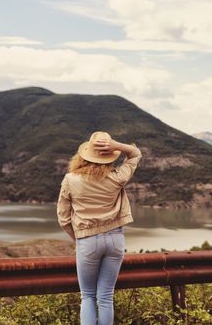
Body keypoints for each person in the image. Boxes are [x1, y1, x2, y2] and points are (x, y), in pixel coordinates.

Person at [57, 131, 142, 325]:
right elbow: (136, 154)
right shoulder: (117, 177)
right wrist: (117, 145)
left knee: (87, 296)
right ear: (109, 156)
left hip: (88, 241)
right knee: (105, 296)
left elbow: (63, 219)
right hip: (115, 239)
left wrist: (79, 238)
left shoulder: (71, 179)